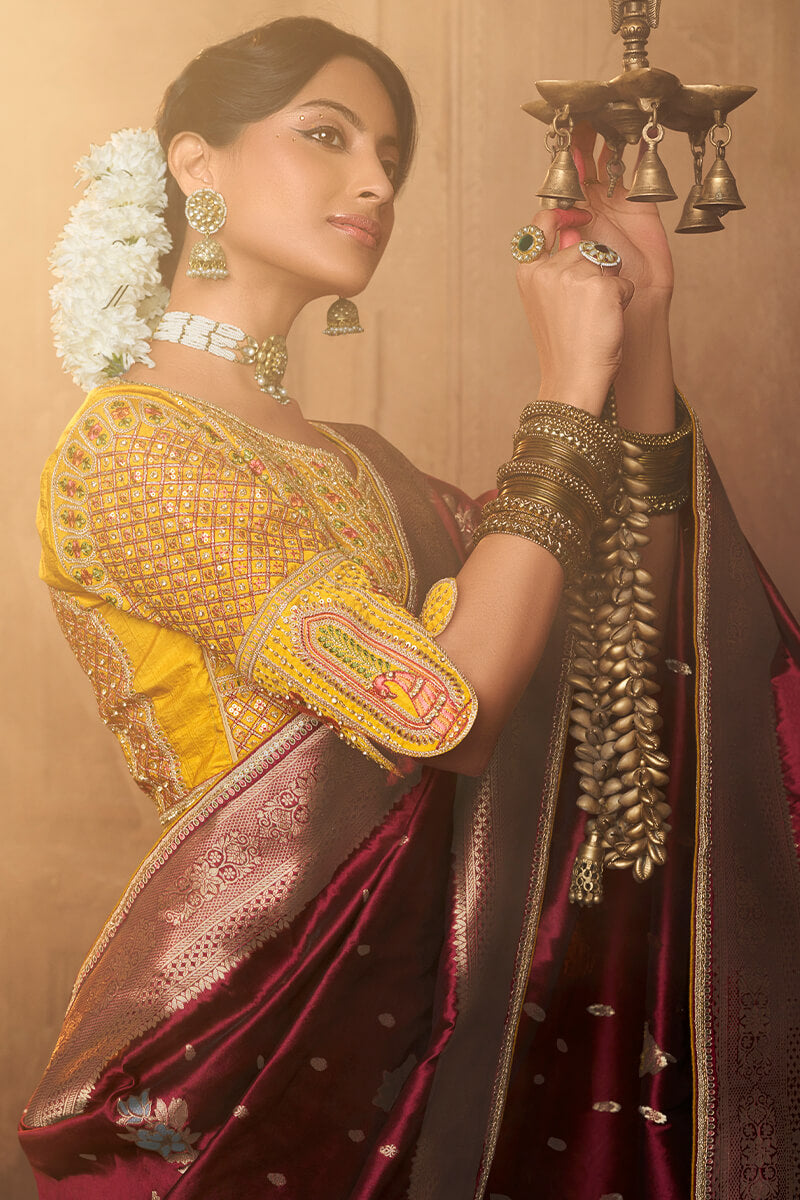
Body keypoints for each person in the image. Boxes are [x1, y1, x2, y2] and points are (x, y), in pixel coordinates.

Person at [19, 15, 800, 1200]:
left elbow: (615, 622)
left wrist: (635, 325)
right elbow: (444, 712)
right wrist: (563, 389)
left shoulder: (363, 464)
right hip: (250, 1058)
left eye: (388, 153)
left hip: (422, 1034)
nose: (377, 181)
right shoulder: (129, 448)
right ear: (195, 163)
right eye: (326, 135)